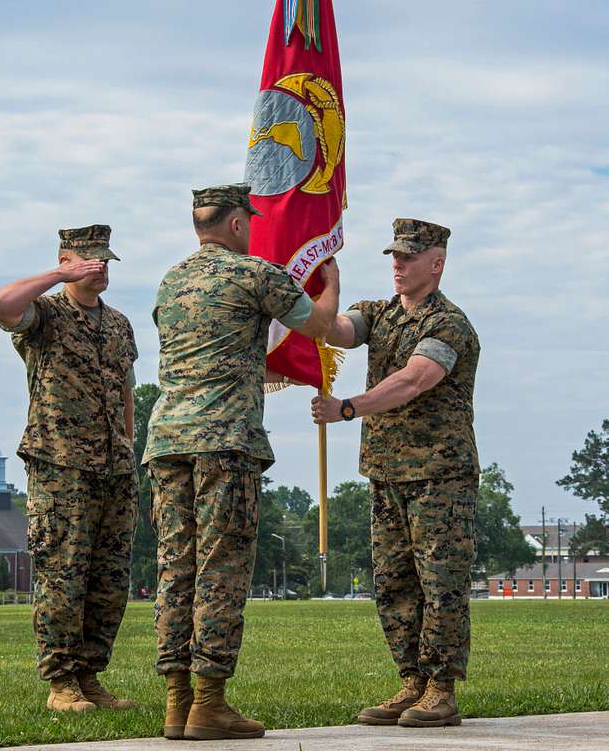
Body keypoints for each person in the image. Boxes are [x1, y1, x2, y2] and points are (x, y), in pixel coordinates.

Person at [143, 184, 340, 741]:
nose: (253, 230)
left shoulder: (171, 280)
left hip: (167, 443)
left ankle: (177, 704)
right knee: (221, 571)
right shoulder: (253, 274)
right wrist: (331, 280)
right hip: (225, 444)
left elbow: (210, 352)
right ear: (234, 224)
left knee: (176, 570)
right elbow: (320, 325)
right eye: (247, 222)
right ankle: (210, 703)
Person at [312, 218, 480, 729]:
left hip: (439, 475)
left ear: (437, 262)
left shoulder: (448, 323)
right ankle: (411, 682)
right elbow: (334, 330)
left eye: (408, 256)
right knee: (394, 583)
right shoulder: (378, 312)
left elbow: (414, 379)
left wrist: (348, 407)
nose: (398, 265)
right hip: (385, 472)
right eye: (393, 256)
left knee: (440, 583)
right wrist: (330, 284)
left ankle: (441, 689)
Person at [0, 225, 138, 713]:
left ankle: (90, 676)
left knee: (109, 580)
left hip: (114, 469)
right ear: (67, 260)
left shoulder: (119, 325)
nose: (100, 269)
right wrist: (57, 275)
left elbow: (126, 391)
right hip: (62, 466)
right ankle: (60, 682)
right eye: (88, 261)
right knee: (63, 576)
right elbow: (1, 305)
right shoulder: (45, 316)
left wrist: (130, 450)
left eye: (105, 262)